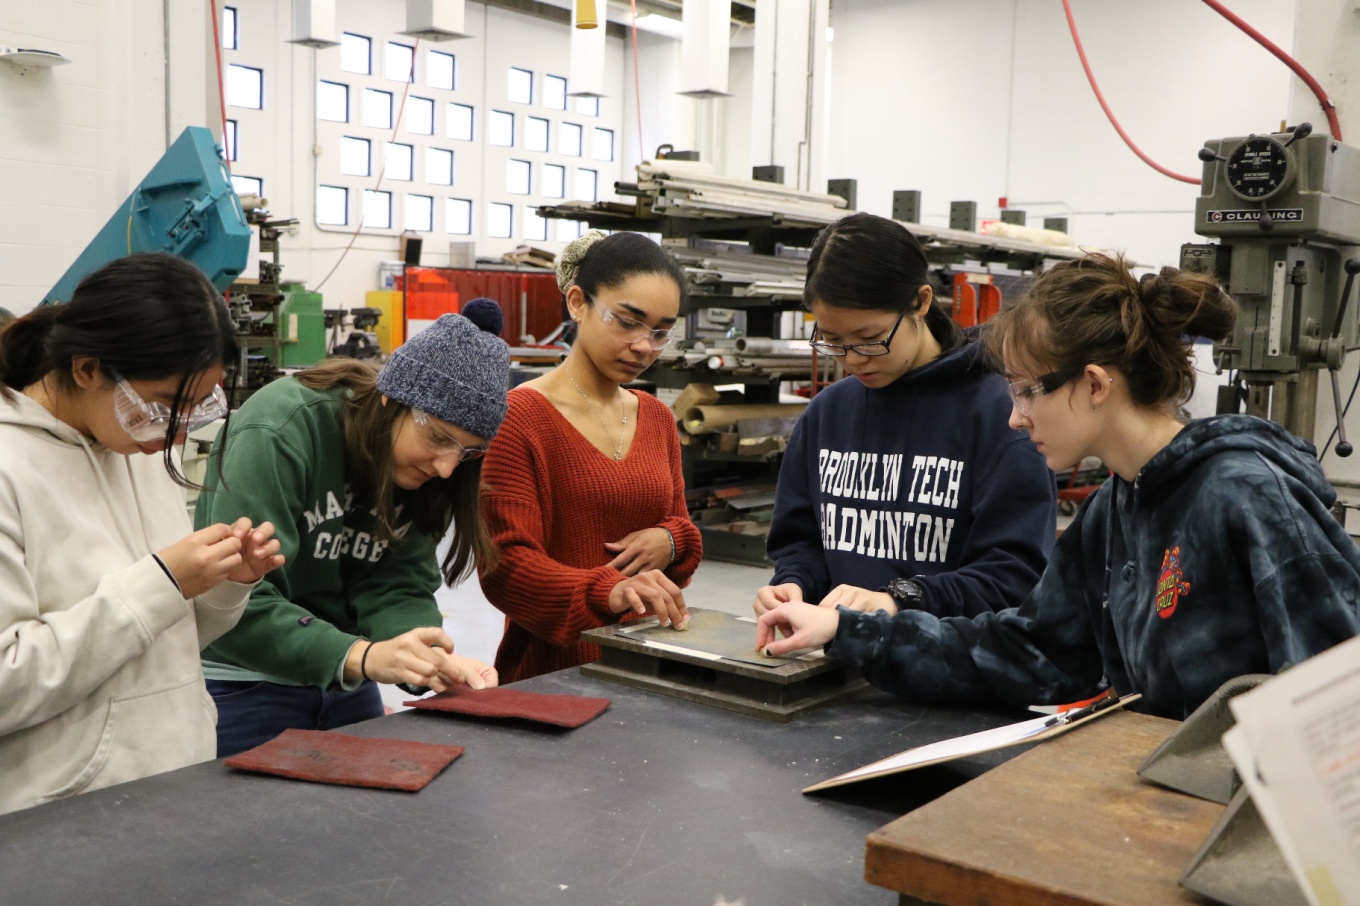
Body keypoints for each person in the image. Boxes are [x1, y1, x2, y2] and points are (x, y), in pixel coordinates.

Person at [756, 252, 1360, 720]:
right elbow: (1036, 655)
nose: (1015, 417)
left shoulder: (1247, 495)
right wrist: (849, 631)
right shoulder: (1118, 505)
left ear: (1095, 384)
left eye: (1025, 390)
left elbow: (1338, 705)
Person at [0, 253, 283, 815]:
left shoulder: (136, 450)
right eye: (159, 405)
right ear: (86, 369)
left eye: (198, 405)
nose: (174, 432)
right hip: (59, 814)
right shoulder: (12, 468)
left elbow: (161, 645)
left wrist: (224, 586)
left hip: (174, 786)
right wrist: (161, 582)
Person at [196, 303, 508, 757]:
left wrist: (422, 655)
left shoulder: (426, 472)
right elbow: (235, 600)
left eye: (467, 452)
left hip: (347, 680)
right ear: (391, 398)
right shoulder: (282, 429)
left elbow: (396, 582)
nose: (446, 468)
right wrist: (361, 656)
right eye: (439, 438)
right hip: (243, 685)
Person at [754, 212, 1056, 622]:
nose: (854, 359)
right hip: (838, 663)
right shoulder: (828, 413)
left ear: (922, 301)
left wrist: (903, 598)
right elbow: (800, 543)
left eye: (870, 339)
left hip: (949, 672)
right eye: (833, 341)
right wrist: (794, 583)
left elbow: (1016, 575)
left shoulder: (1001, 415)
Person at [479, 231, 702, 683]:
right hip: (557, 673)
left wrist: (673, 540)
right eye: (627, 321)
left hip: (652, 665)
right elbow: (505, 565)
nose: (644, 346)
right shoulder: (519, 418)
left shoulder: (657, 419)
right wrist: (609, 591)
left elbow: (682, 534)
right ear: (578, 302)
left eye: (661, 332)